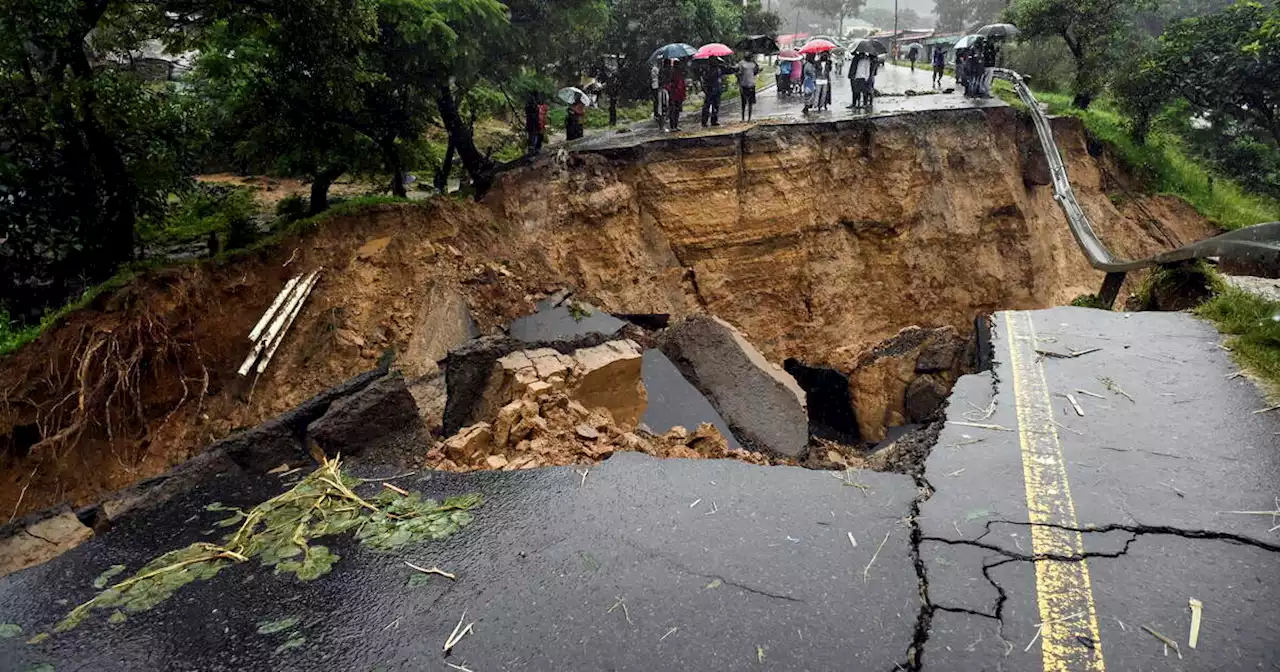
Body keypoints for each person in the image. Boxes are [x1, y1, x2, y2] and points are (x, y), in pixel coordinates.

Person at [700, 59, 727, 127]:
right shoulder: (707, 70)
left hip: (717, 89)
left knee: (716, 106)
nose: (715, 62)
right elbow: (705, 80)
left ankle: (714, 120)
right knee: (707, 106)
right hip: (710, 90)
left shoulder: (718, 69)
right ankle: (704, 121)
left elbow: (720, 78)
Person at [664, 60, 687, 131]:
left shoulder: (680, 73)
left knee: (677, 110)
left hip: (679, 94)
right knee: (673, 110)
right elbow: (669, 83)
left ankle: (675, 125)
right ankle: (672, 126)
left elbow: (682, 84)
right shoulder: (672, 72)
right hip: (673, 94)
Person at [737, 53, 759, 121]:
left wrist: (756, 66)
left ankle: (749, 118)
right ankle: (743, 118)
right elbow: (738, 73)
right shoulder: (741, 63)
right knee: (743, 102)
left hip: (751, 84)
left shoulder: (753, 64)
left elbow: (756, 71)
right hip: (744, 85)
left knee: (750, 102)